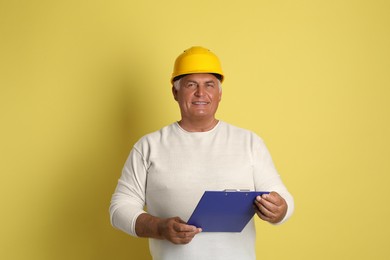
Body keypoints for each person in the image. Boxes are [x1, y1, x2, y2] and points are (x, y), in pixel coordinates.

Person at [109, 46, 294, 260]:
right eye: (191, 85)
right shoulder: (148, 146)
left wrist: (279, 209)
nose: (201, 93)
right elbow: (119, 208)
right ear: (175, 92)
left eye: (209, 85)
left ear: (219, 93)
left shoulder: (249, 142)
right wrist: (159, 227)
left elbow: (283, 199)